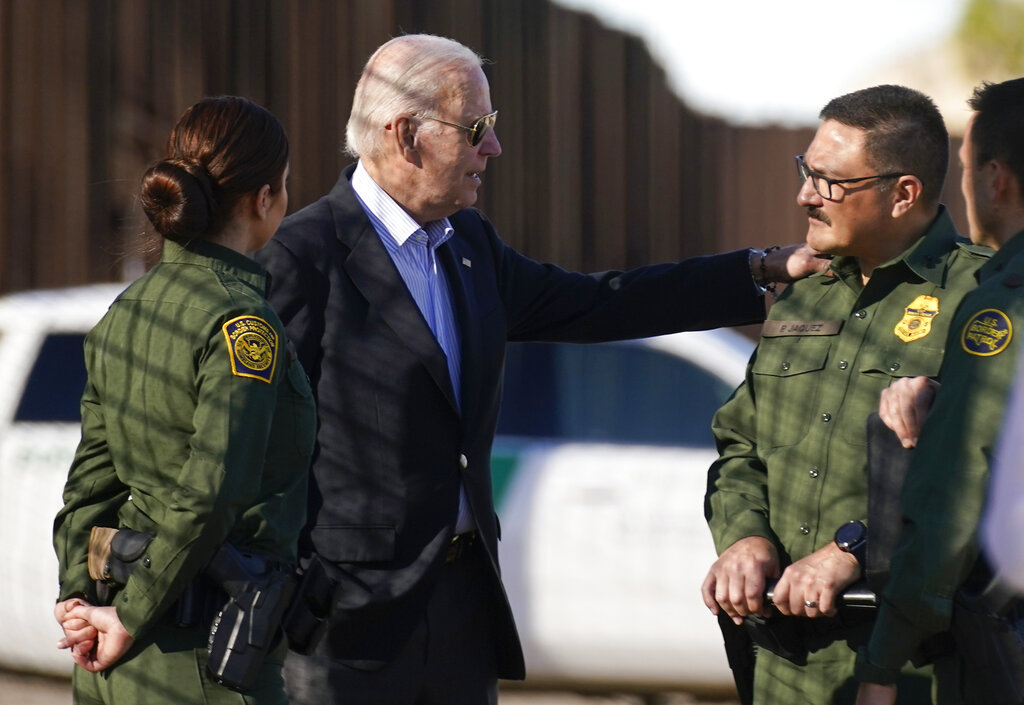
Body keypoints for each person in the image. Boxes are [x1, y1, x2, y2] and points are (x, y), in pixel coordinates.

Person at [254, 33, 823, 705]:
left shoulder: (468, 246)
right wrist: (300, 590)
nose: (492, 148)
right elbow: (256, 447)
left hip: (464, 608)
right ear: (405, 135)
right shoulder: (302, 256)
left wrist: (754, 271)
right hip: (346, 629)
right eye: (476, 129)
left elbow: (597, 303)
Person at [701, 84, 991, 705]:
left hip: (912, 666)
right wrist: (744, 538)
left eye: (830, 181)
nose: (805, 194)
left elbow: (987, 476)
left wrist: (851, 551)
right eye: (806, 170)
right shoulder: (805, 293)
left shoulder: (984, 300)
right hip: (782, 661)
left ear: (903, 194)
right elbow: (740, 442)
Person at [51, 96, 317, 704]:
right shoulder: (242, 323)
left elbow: (90, 482)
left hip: (110, 660)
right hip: (203, 660)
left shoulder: (125, 311)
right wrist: (129, 616)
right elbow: (213, 492)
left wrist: (77, 603)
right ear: (265, 198)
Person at [854, 78, 1024, 705]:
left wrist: (882, 661)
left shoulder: (1003, 303)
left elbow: (954, 492)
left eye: (965, 169)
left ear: (995, 179)